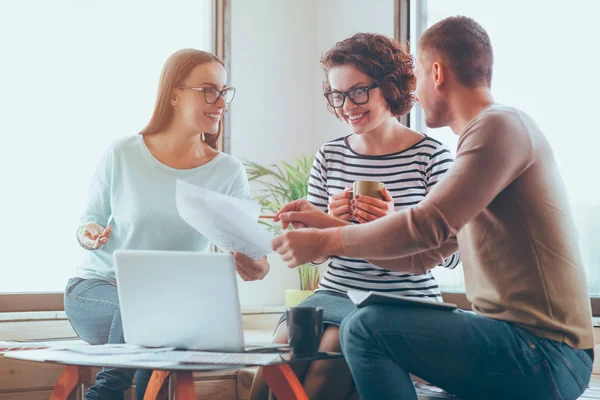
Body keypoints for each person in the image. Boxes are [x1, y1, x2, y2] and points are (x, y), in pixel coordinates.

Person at [272, 16, 594, 400]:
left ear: (436, 73)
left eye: (419, 77)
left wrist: (329, 241)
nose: (416, 94)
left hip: (545, 354)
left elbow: (426, 227)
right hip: (523, 346)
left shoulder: (498, 127)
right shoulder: (485, 138)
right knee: (359, 328)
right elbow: (422, 256)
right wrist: (326, 228)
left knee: (363, 327)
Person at [250, 33, 459, 400]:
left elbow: (456, 256)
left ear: (390, 87)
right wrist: (318, 221)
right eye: (337, 95)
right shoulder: (330, 156)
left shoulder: (431, 157)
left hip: (401, 301)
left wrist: (398, 222)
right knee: (272, 366)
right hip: (334, 292)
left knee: (329, 358)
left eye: (358, 92)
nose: (347, 105)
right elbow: (318, 256)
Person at [64, 49, 270, 400]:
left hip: (170, 308)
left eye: (224, 92)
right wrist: (90, 233)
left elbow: (259, 261)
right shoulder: (122, 153)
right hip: (96, 290)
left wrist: (253, 264)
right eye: (208, 90)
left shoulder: (227, 172)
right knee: (154, 319)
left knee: (162, 325)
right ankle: (107, 391)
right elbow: (89, 220)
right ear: (174, 94)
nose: (220, 101)